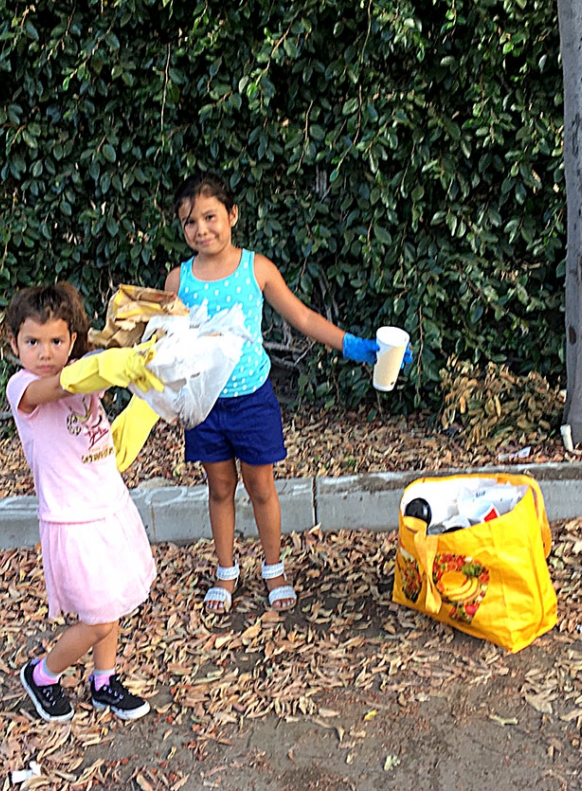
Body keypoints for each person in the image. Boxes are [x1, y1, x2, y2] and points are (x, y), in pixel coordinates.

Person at [164, 171, 409, 614]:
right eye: (190, 223)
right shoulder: (178, 281)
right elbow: (164, 344)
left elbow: (304, 318)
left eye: (210, 217)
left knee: (261, 487)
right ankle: (226, 570)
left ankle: (273, 568)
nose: (202, 230)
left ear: (233, 215)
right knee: (219, 488)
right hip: (204, 404)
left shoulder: (256, 269)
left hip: (252, 401)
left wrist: (356, 346)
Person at [4, 281, 162, 723]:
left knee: (110, 606)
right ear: (14, 343)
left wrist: (147, 391)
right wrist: (113, 364)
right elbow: (59, 386)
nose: (44, 352)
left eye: (56, 341)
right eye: (32, 342)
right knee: (97, 619)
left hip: (109, 507)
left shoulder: (86, 374)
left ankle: (103, 681)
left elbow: (100, 431)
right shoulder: (24, 389)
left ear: (72, 340)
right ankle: (43, 674)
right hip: (72, 520)